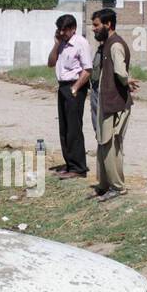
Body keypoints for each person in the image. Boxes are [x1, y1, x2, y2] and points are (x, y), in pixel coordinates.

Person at [90, 9, 137, 202]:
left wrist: (127, 81)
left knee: (110, 144)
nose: (93, 29)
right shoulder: (105, 45)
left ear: (108, 25)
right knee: (102, 143)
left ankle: (117, 187)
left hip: (115, 103)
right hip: (106, 101)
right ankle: (103, 185)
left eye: (96, 25)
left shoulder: (115, 45)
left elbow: (120, 71)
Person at [47, 14, 93, 179]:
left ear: (73, 29)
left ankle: (79, 167)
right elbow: (51, 63)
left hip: (75, 86)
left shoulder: (80, 43)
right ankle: (69, 163)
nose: (62, 32)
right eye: (59, 29)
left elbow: (87, 70)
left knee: (74, 128)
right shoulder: (61, 44)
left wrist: (75, 88)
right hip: (63, 87)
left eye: (65, 29)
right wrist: (56, 44)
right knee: (65, 129)